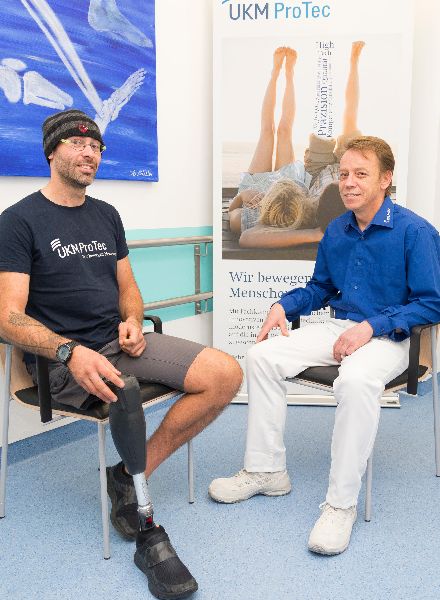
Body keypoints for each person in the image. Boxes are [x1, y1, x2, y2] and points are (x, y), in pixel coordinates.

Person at [0, 109, 242, 598]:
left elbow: (128, 287)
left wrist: (132, 320)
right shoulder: (18, 221)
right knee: (125, 393)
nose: (89, 153)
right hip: (62, 362)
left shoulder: (106, 214)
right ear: (52, 151)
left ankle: (128, 475)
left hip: (117, 344)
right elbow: (8, 317)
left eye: (96, 146)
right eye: (77, 143)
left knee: (226, 373)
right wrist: (70, 351)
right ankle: (149, 531)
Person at [210, 135, 440, 555]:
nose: (349, 182)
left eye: (361, 174)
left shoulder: (416, 232)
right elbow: (321, 288)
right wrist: (283, 304)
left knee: (354, 382)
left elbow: (431, 303)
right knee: (261, 356)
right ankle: (266, 471)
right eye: (345, 173)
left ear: (385, 179)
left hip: (390, 338)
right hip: (340, 328)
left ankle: (340, 505)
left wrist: (372, 326)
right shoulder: (337, 230)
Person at [229, 42, 365, 249]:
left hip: (283, 187)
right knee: (348, 119)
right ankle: (350, 63)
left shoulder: (279, 219)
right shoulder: (310, 212)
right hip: (310, 178)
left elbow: (243, 231)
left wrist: (243, 196)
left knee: (271, 131)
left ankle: (279, 73)